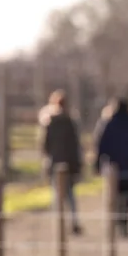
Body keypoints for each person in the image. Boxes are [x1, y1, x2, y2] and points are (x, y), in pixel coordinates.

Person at [94, 98, 128, 237]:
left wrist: (98, 164)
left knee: (114, 196)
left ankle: (115, 223)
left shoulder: (108, 125)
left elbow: (101, 145)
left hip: (114, 168)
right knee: (127, 197)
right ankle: (124, 222)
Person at [40, 91, 83, 235]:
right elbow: (76, 145)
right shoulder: (71, 121)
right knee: (71, 196)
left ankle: (59, 224)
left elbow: (45, 145)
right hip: (70, 163)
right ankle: (74, 221)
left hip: (55, 163)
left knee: (57, 195)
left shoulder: (50, 122)